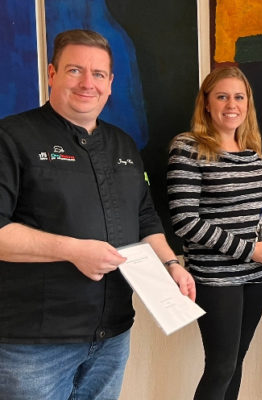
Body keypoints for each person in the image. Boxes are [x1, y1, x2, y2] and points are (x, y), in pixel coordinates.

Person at [0, 29, 195, 400]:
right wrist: (73, 250)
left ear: (110, 84)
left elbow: (146, 218)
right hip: (34, 344)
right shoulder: (11, 137)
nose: (88, 83)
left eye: (99, 74)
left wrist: (171, 263)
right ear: (52, 74)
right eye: (75, 70)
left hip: (112, 335)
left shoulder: (122, 144)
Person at [167, 66, 262, 400]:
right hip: (216, 277)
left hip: (258, 274)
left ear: (248, 103)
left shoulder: (252, 153)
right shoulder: (188, 147)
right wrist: (249, 250)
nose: (231, 104)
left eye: (239, 97)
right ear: (206, 103)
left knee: (236, 362)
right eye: (221, 96)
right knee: (220, 366)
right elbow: (184, 220)